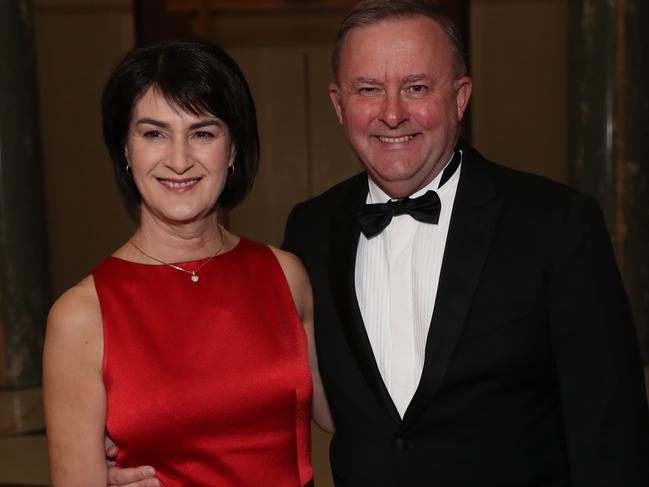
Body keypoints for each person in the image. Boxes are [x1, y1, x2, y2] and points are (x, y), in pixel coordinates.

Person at [107, 1, 649, 486]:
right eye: (368, 89)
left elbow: (611, 428)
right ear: (339, 105)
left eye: (416, 87)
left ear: (459, 98)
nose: (392, 113)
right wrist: (138, 445)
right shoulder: (311, 232)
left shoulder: (554, 223)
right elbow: (266, 390)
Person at [43, 37, 331, 487]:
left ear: (233, 149)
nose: (179, 160)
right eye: (154, 133)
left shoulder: (285, 276)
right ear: (125, 149)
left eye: (203, 132)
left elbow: (353, 415)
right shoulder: (81, 316)